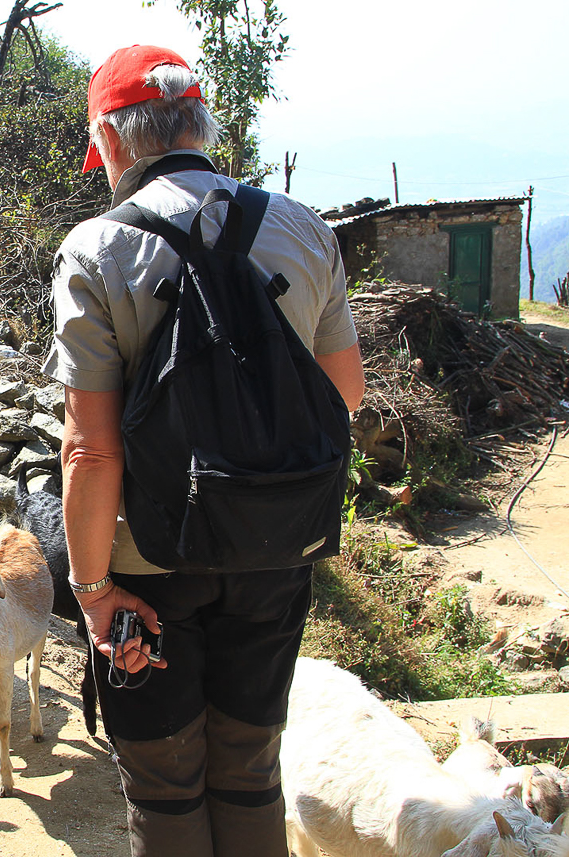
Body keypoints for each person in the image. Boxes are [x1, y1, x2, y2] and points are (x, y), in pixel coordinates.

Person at [44, 45, 366, 857]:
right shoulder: (304, 228)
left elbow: (90, 450)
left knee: (164, 782)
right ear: (200, 122)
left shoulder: (95, 250)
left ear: (112, 141)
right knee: (250, 771)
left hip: (149, 564)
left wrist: (90, 590)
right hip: (275, 552)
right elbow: (345, 397)